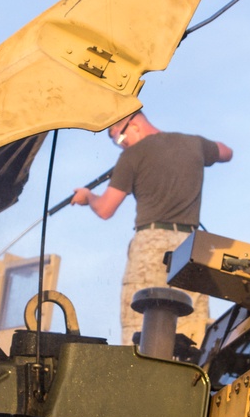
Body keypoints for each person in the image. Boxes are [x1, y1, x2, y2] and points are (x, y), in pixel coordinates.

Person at [72, 113, 233, 348]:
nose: (121, 144)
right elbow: (226, 152)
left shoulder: (131, 155)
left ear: (134, 124)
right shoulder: (194, 143)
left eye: (118, 138)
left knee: (141, 330)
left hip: (151, 246)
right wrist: (202, 152)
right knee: (192, 334)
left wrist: (88, 197)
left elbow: (106, 209)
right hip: (192, 248)